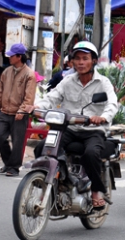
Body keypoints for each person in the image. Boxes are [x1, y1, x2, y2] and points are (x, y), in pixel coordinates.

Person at [27, 41, 118, 210]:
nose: (81, 62)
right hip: (68, 128)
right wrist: (37, 107)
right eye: (77, 59)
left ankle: (97, 190)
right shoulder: (67, 81)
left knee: (91, 154)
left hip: (93, 130)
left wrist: (103, 117)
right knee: (43, 148)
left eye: (85, 58)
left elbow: (112, 103)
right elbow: (52, 97)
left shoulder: (103, 82)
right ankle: (60, 180)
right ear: (72, 62)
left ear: (93, 61)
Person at [0, 43, 37, 177]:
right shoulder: (6, 72)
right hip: (5, 112)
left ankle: (14, 167)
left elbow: (29, 96)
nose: (9, 58)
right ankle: (8, 163)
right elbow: (0, 90)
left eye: (11, 56)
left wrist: (22, 111)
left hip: (19, 114)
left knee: (18, 142)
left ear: (19, 57)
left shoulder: (29, 74)